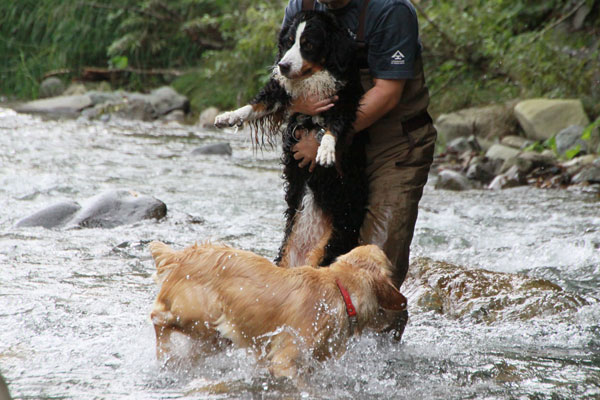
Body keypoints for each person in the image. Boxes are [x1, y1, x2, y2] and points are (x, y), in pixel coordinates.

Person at [282, 0, 437, 340]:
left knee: (373, 264)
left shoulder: (391, 10)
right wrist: (296, 105)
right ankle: (305, 344)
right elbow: (285, 73)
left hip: (393, 146)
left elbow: (388, 91)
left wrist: (327, 136)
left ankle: (377, 363)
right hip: (332, 145)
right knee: (308, 255)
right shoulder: (301, 5)